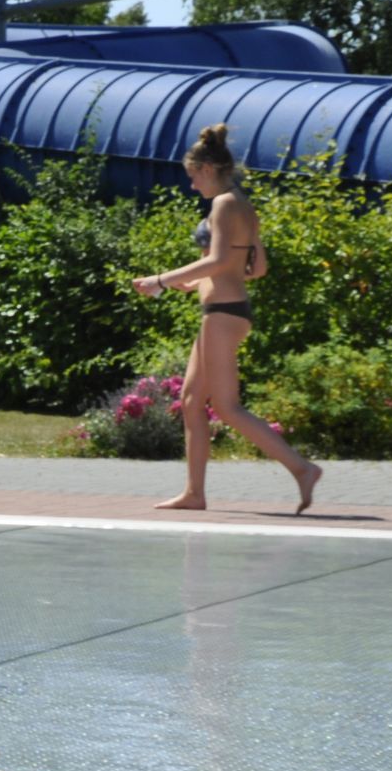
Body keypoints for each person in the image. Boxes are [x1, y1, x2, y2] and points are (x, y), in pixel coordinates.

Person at [134, 122, 321, 514]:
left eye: (192, 177)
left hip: (222, 314)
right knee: (190, 400)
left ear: (205, 169)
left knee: (226, 406)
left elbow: (220, 261)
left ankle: (301, 468)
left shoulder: (223, 205)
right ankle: (194, 493)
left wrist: (161, 282)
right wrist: (196, 281)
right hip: (229, 310)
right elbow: (255, 268)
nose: (191, 186)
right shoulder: (242, 204)